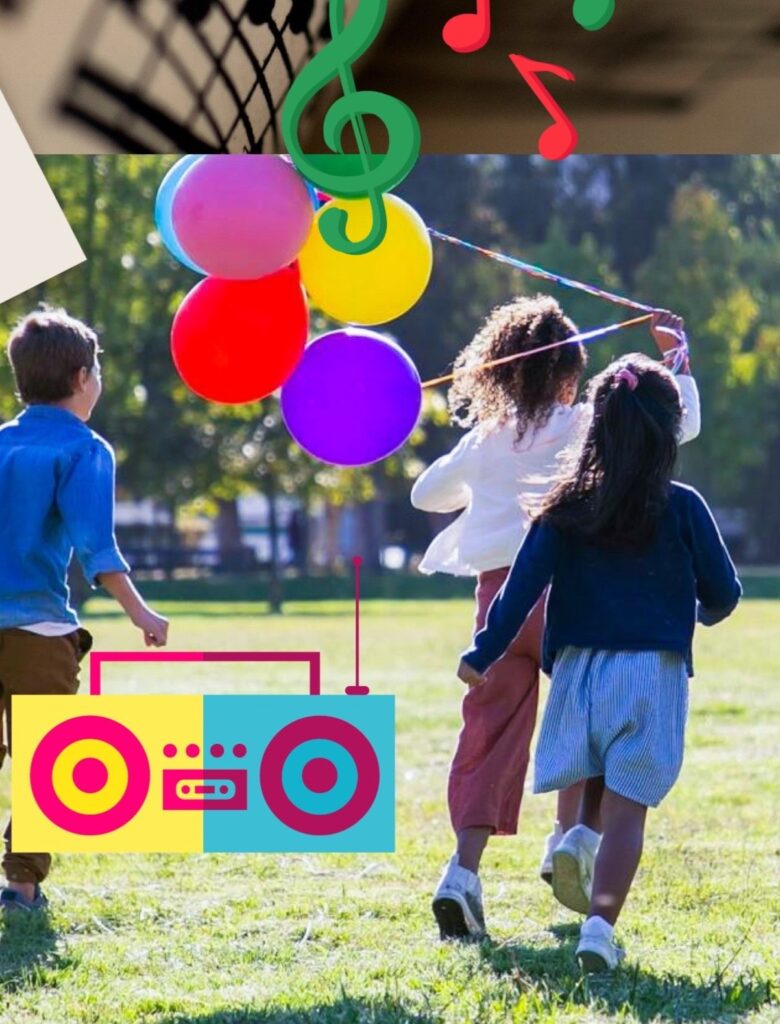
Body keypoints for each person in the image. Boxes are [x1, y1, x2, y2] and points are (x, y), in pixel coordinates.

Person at [411, 295, 701, 940]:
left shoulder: (485, 440)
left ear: (499, 374)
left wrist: (479, 458)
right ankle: (570, 840)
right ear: (570, 371)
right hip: (571, 597)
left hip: (498, 605)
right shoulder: (583, 426)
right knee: (594, 722)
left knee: (487, 735)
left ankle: (462, 872)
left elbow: (424, 494)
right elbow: (678, 427)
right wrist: (677, 358)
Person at [458, 354, 741, 970]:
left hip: (579, 672)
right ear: (668, 432)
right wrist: (697, 613)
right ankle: (598, 929)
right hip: (650, 674)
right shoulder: (684, 505)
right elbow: (725, 592)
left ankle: (577, 837)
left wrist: (483, 652)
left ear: (597, 427)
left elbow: (519, 591)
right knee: (629, 811)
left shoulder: (564, 506)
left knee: (592, 773)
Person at [0, 307, 169, 914]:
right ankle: (20, 887)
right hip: (38, 630)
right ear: (80, 378)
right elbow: (98, 550)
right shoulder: (85, 449)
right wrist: (142, 615)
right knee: (45, 759)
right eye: (97, 370)